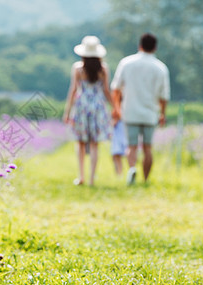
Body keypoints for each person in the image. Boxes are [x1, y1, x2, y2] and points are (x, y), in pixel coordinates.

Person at [111, 33, 170, 185]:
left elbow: (116, 89)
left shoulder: (126, 63)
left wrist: (117, 108)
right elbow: (164, 96)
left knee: (131, 146)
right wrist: (162, 113)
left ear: (140, 45)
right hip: (150, 113)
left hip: (130, 111)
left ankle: (132, 169)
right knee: (148, 147)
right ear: (155, 47)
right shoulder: (161, 68)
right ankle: (145, 179)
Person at [63, 36, 116, 186]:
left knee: (80, 143)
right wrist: (115, 108)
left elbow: (73, 90)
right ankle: (92, 178)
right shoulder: (103, 69)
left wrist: (67, 112)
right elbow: (106, 91)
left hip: (81, 106)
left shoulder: (78, 68)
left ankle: (81, 176)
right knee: (94, 144)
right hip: (98, 107)